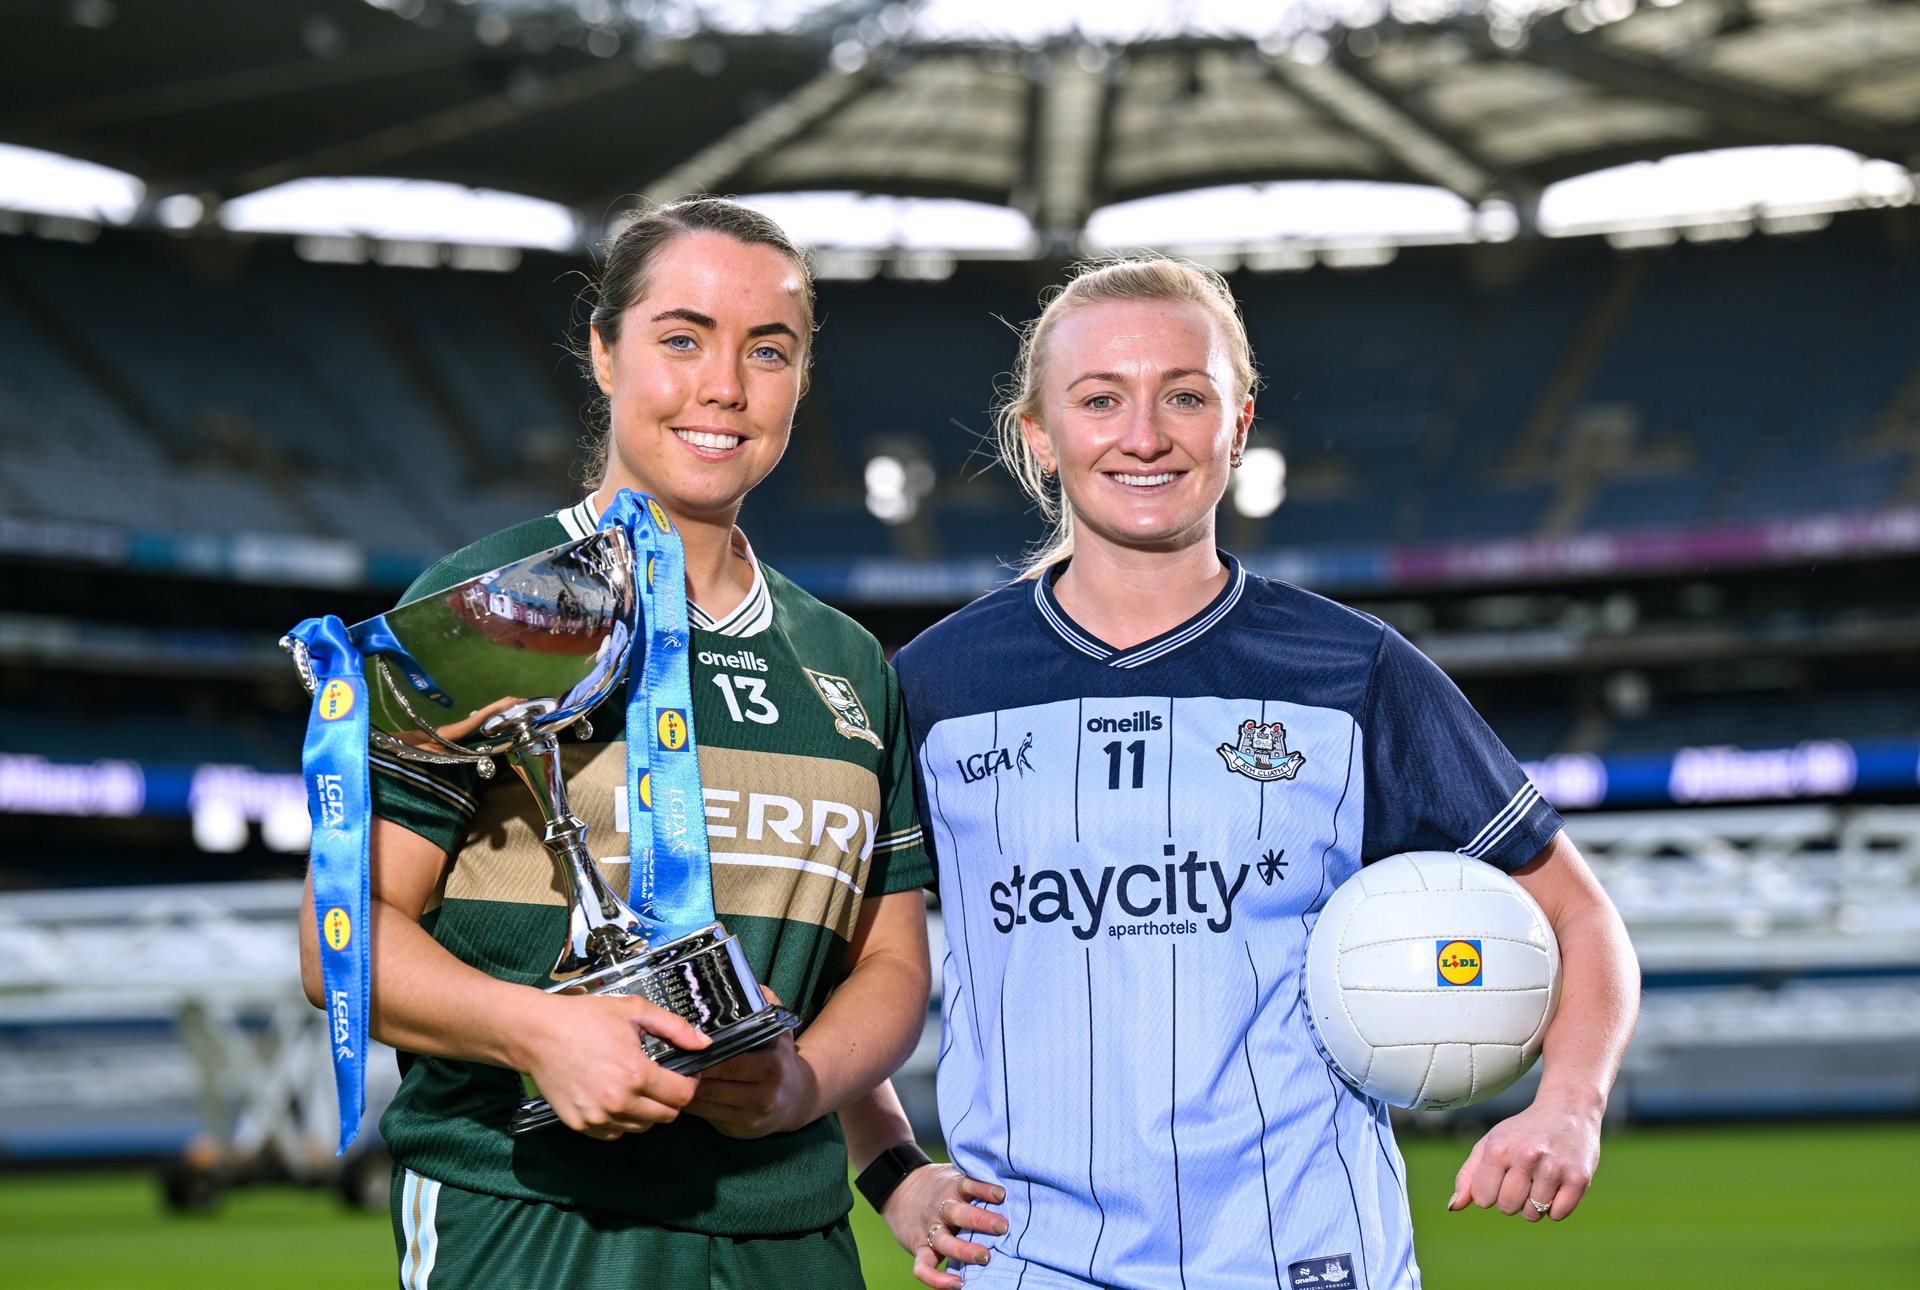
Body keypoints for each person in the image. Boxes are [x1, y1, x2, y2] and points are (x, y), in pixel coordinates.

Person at [846, 257, 1641, 1289]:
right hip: (1027, 1264)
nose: (1145, 435)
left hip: (1304, 1254)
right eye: (1101, 401)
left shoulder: (1354, 674)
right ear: (1040, 436)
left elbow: (1581, 919)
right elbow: (836, 961)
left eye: (1186, 395)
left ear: (1239, 421)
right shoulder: (936, 688)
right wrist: (893, 1171)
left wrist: (1569, 1106)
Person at [297, 197, 933, 1288]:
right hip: (532, 1219)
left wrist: (805, 1083)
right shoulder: (497, 606)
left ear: (800, 382)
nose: (724, 386)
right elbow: (339, 942)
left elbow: (886, 962)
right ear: (604, 351)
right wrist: (533, 1033)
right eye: (680, 338)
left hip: (794, 1235)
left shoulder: (850, 665)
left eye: (767, 351)